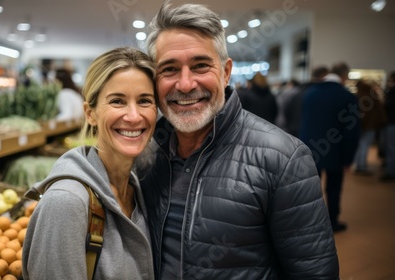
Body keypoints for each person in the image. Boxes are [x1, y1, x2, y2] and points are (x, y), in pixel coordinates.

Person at [138, 1, 339, 279]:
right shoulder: (145, 155)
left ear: (225, 72)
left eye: (200, 66)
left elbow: (314, 272)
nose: (185, 85)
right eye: (169, 69)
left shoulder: (283, 158)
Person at [22, 47, 156, 279]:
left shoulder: (137, 187)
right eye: (117, 101)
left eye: (145, 101)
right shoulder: (67, 202)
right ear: (90, 113)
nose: (134, 116)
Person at [299, 61, 361, 232]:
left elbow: (303, 124)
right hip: (337, 152)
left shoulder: (310, 94)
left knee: (310, 190)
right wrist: (349, 158)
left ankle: (308, 223)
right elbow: (351, 132)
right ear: (344, 76)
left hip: (310, 150)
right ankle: (332, 222)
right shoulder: (347, 96)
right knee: (333, 189)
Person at [352, 79, 387, 175]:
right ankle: (362, 166)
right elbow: (379, 110)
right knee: (365, 145)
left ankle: (358, 165)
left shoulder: (358, 96)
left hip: (362, 125)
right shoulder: (372, 94)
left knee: (360, 146)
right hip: (371, 125)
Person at [380, 71, 395, 181]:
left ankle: (390, 172)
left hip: (391, 122)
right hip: (390, 122)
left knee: (391, 148)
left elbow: (388, 105)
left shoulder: (392, 92)